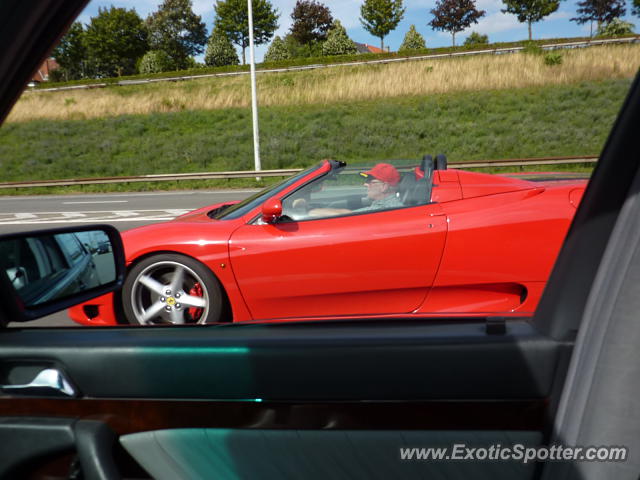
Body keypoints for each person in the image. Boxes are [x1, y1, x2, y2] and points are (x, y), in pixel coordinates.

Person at [308, 163, 403, 217]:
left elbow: (348, 215)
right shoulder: (387, 204)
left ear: (384, 187)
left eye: (370, 181)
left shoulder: (387, 208)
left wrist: (308, 213)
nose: (365, 184)